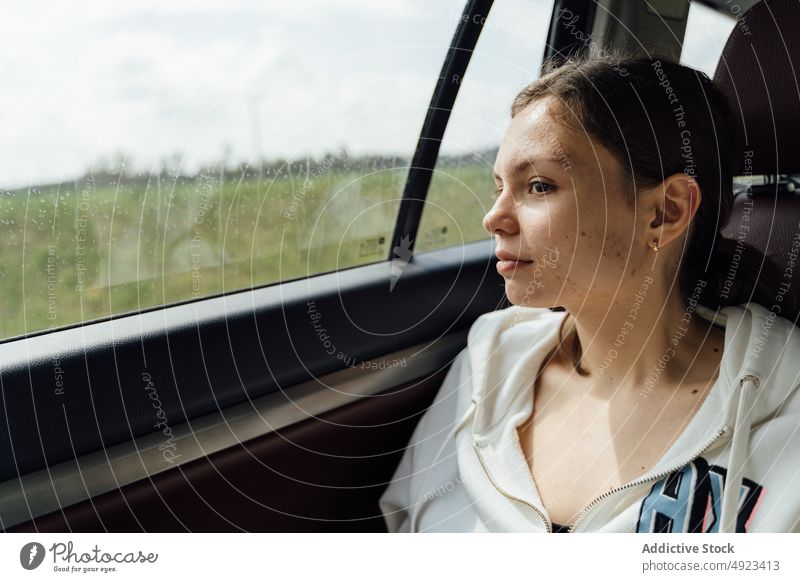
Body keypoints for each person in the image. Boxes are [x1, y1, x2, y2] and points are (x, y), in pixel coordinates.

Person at [378, 52, 800, 533]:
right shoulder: (484, 367)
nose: (493, 217)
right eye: (499, 186)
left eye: (538, 186)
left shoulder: (785, 415)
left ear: (667, 211)